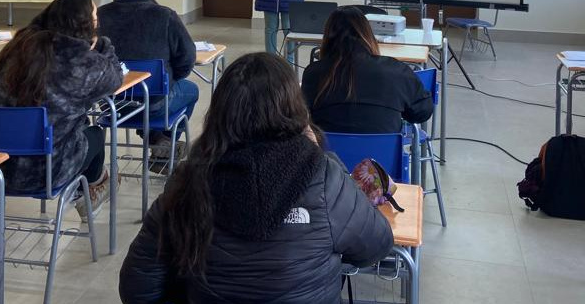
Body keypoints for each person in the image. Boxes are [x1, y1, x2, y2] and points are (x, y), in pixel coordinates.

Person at [118, 52, 393, 304]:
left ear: (220, 113)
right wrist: (319, 154)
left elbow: (137, 287)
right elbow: (375, 247)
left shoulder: (188, 179)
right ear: (295, 111)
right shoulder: (324, 177)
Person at [0, 0, 123, 217]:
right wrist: (104, 45)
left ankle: (88, 189)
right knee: (95, 134)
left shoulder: (20, 45)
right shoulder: (85, 62)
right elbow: (115, 78)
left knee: (72, 123)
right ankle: (91, 190)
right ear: (86, 24)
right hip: (44, 171)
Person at [97, 0, 198, 160]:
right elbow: (188, 58)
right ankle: (161, 147)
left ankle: (157, 138)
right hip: (155, 102)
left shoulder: (99, 15)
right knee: (192, 90)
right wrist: (169, 80)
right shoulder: (165, 15)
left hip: (111, 103)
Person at [302, 6, 434, 133]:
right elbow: (422, 113)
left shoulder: (313, 74)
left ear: (327, 37)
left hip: (329, 154)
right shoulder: (396, 71)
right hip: (383, 155)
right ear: (368, 34)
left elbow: (303, 116)